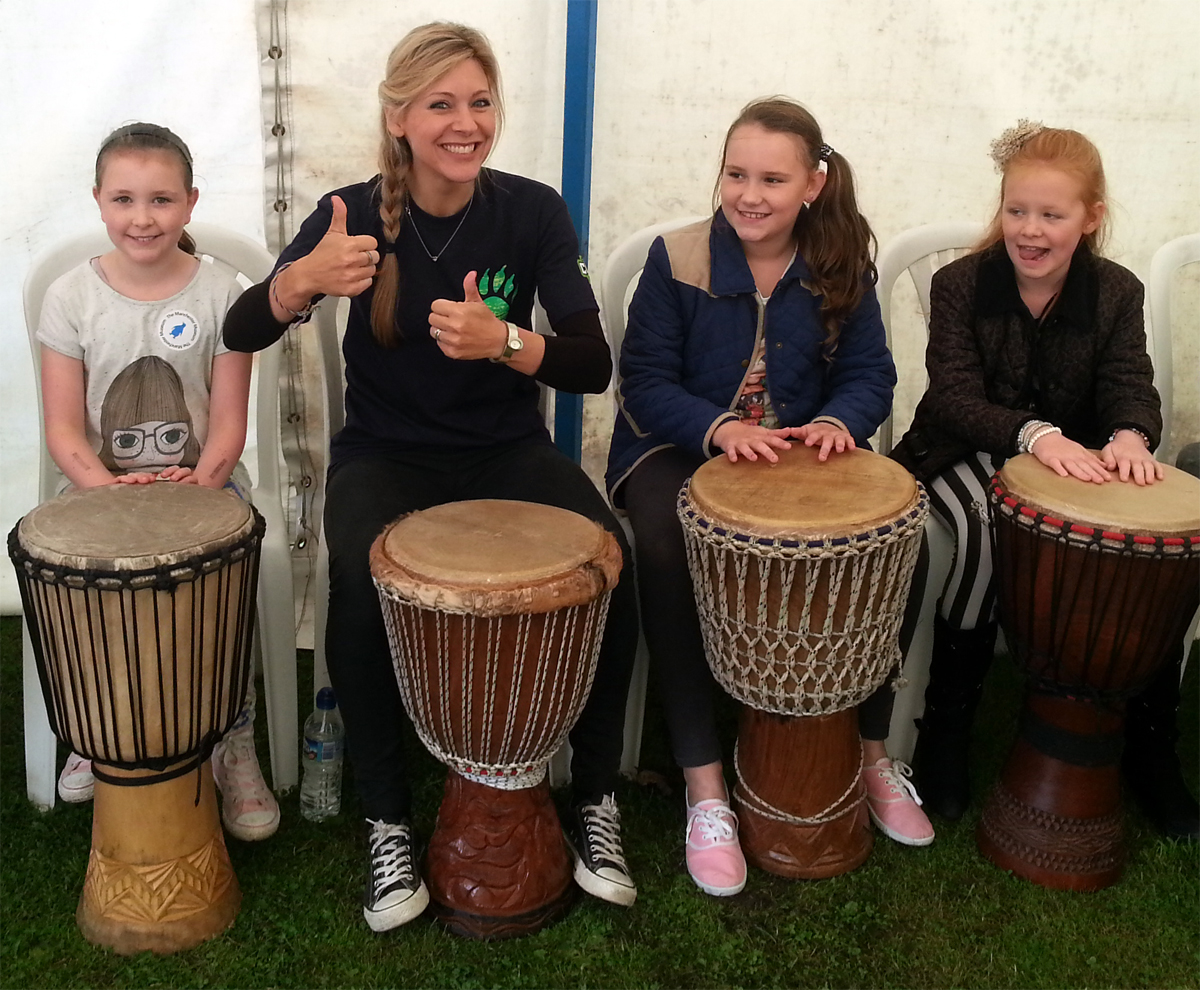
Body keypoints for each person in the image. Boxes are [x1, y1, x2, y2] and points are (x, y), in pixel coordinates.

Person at [222, 22, 639, 931]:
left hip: (504, 453)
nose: (465, 122)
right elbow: (241, 329)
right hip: (386, 456)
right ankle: (385, 816)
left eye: (480, 102)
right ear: (400, 117)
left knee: (614, 556)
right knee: (361, 585)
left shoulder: (531, 210)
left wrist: (511, 344)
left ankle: (595, 797)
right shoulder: (350, 212)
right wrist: (300, 282)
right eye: (441, 104)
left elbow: (591, 362)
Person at [606, 97, 934, 898]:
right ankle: (705, 784)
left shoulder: (842, 264)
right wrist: (718, 430)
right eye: (736, 173)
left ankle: (870, 753)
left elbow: (871, 376)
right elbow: (643, 384)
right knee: (663, 540)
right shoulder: (673, 258)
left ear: (813, 184)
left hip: (795, 457)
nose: (749, 194)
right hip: (674, 449)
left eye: (772, 179)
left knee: (901, 544)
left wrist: (836, 421)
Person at [893, 122, 1196, 841]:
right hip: (957, 451)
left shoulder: (1117, 291)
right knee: (978, 531)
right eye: (1016, 211)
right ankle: (946, 728)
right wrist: (1035, 435)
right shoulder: (959, 283)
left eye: (1051, 216)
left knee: (1153, 548)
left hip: (1075, 462)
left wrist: (1129, 434)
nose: (1029, 230)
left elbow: (1132, 383)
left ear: (1091, 219)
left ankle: (1149, 747)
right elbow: (956, 396)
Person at [37, 122, 279, 841]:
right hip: (96, 492)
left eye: (162, 199)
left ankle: (232, 737)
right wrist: (105, 495)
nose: (143, 217)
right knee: (88, 579)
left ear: (190, 202)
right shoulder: (70, 297)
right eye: (124, 199)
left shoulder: (226, 294)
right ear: (98, 203)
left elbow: (230, 424)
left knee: (224, 581)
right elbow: (62, 430)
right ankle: (96, 727)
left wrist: (202, 485)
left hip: (202, 488)